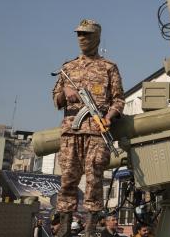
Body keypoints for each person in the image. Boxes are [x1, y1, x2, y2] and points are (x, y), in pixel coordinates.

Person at [52, 19, 125, 237]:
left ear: (97, 37)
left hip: (97, 132)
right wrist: (65, 92)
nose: (82, 38)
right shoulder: (68, 68)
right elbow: (55, 100)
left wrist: (110, 116)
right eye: (79, 34)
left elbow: (119, 100)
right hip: (71, 132)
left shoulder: (109, 68)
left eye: (87, 34)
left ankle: (91, 230)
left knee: (94, 180)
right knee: (68, 180)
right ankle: (64, 229)